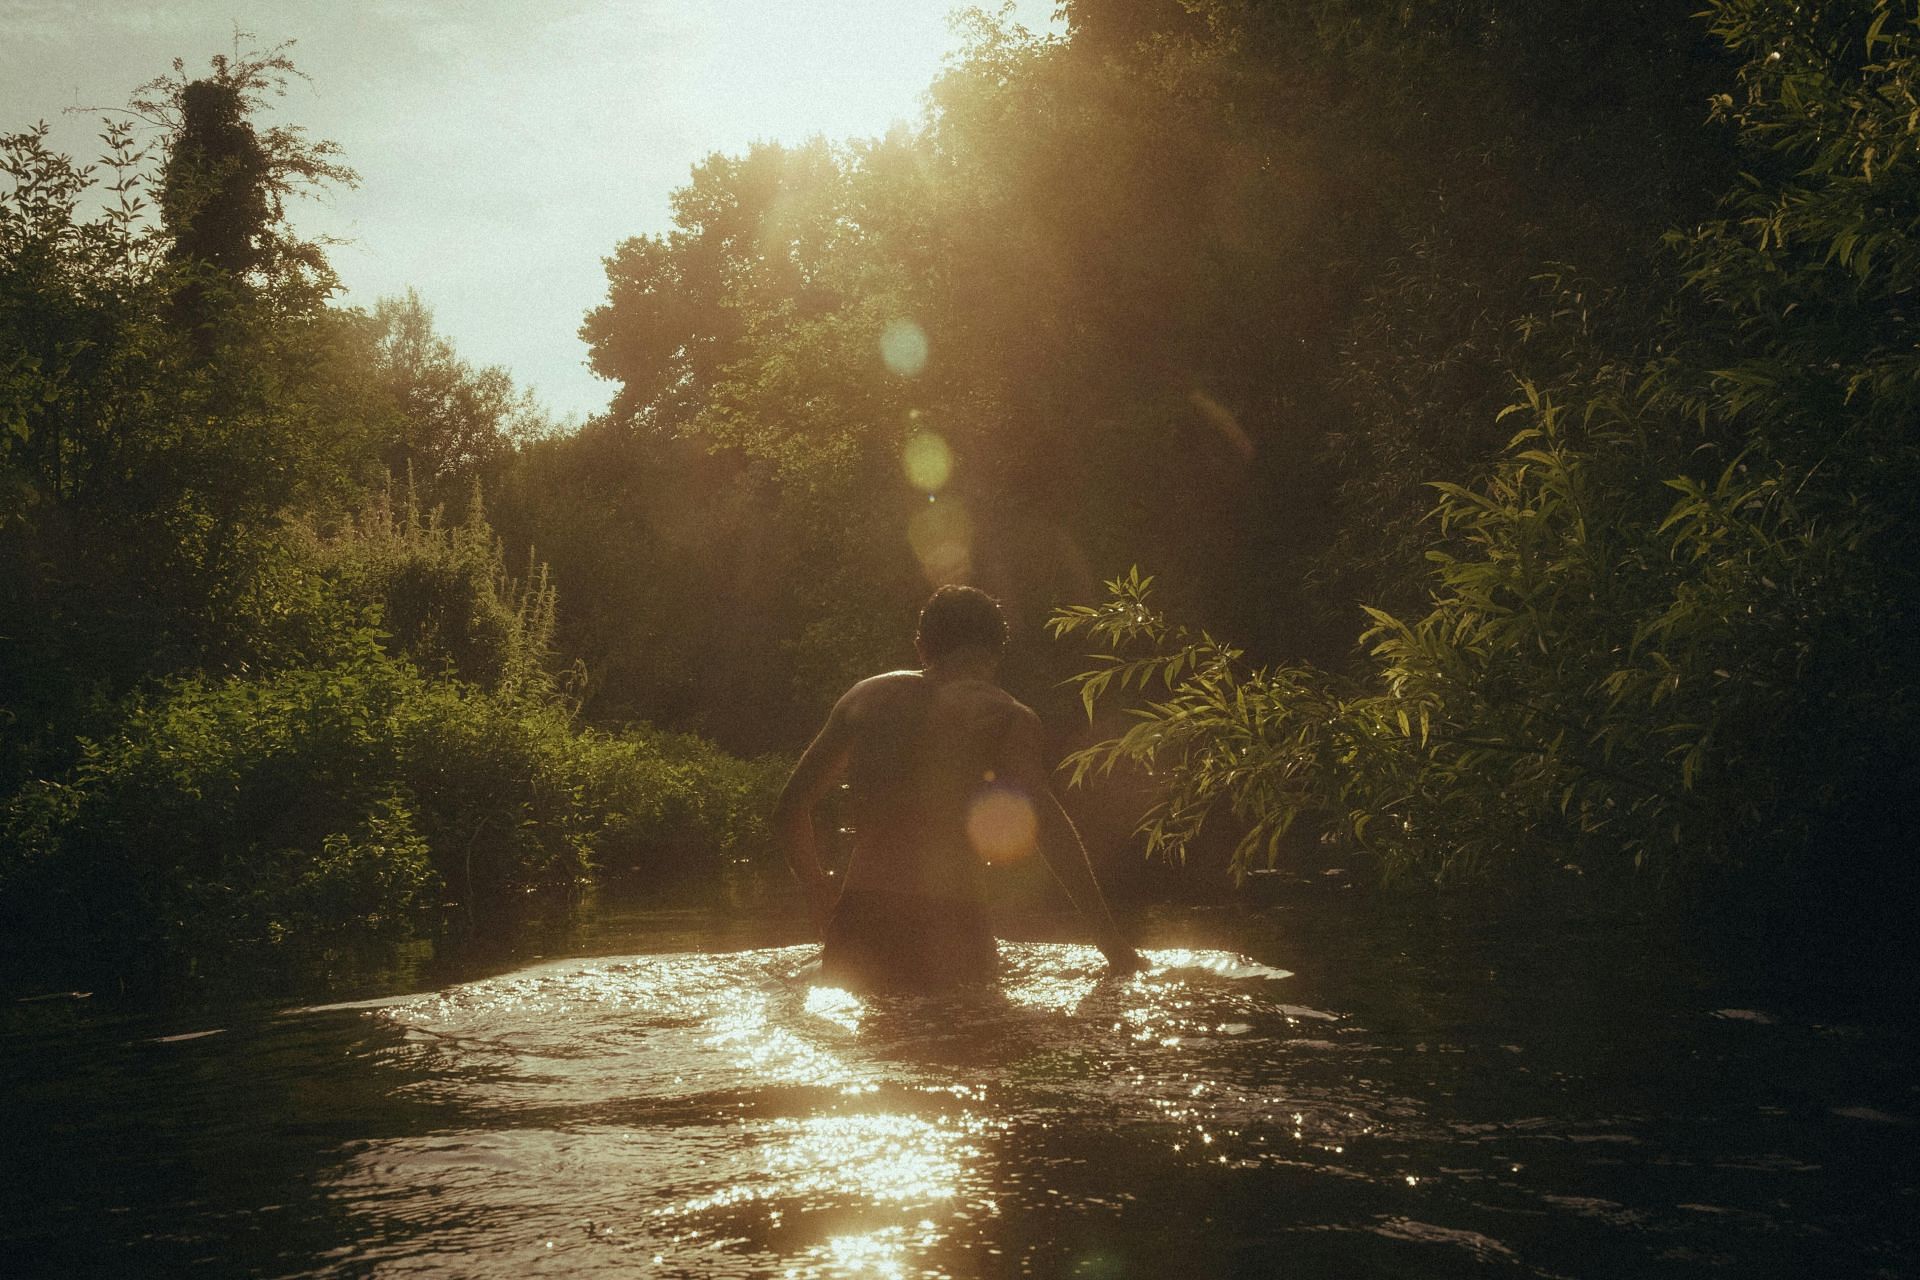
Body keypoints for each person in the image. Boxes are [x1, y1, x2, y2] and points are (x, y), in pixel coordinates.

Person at [775, 584, 1144, 992]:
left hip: (862, 920)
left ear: (921, 646)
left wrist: (818, 893)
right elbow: (1050, 830)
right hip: (953, 928)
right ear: (995, 653)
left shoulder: (864, 700)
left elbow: (790, 806)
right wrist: (1112, 945)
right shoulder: (1006, 717)